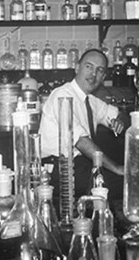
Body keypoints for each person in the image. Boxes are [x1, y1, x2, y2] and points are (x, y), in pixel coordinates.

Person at [39, 49, 126, 200]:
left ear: (103, 77)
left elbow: (120, 115)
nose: (93, 74)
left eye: (99, 70)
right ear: (77, 68)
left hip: (82, 167)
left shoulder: (91, 101)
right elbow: (81, 142)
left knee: (129, 181)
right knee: (123, 183)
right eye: (89, 67)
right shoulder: (62, 95)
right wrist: (116, 168)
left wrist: (120, 121)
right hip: (58, 171)